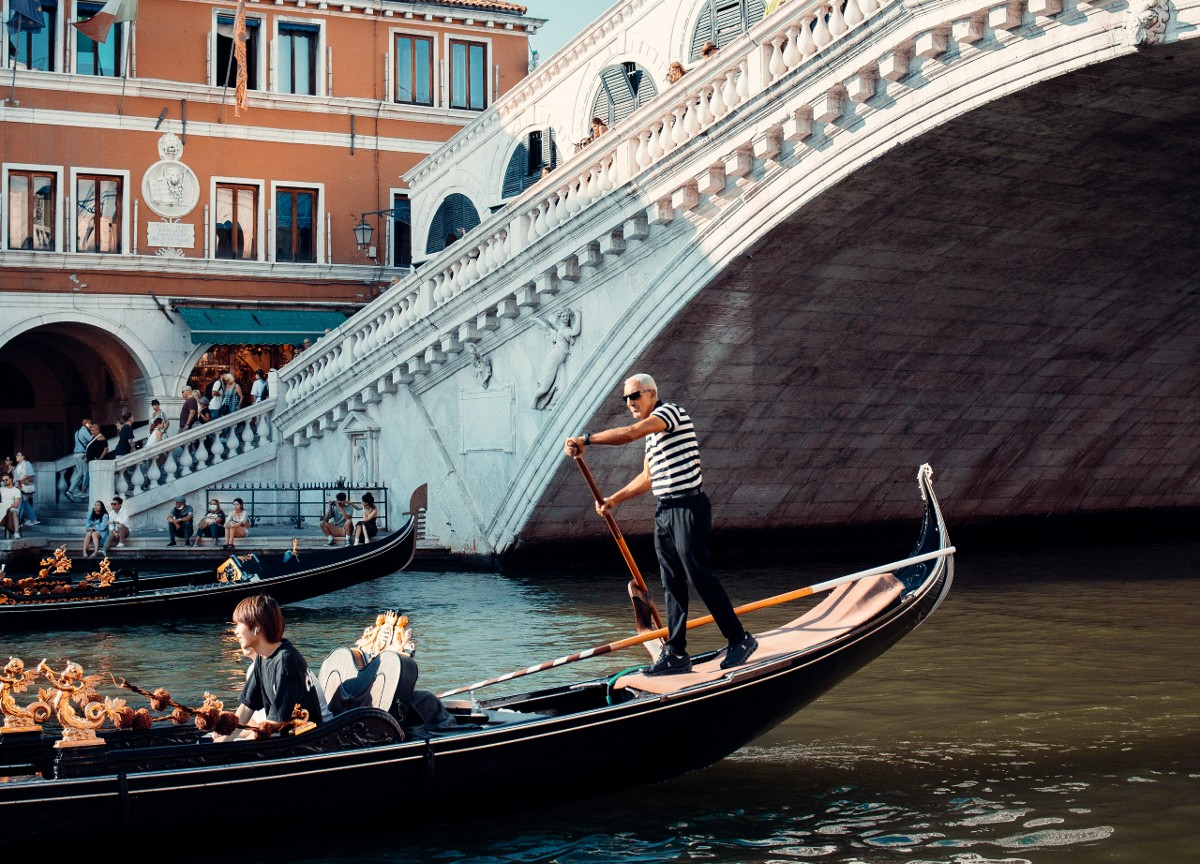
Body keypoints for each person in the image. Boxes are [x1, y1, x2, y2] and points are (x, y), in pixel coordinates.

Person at [563, 373, 758, 675]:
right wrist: (613, 499)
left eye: (635, 396)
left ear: (652, 394)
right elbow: (648, 477)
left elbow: (629, 433)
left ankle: (739, 639)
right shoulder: (653, 437)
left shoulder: (670, 413)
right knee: (671, 582)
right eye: (625, 398)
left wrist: (586, 439)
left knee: (699, 576)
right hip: (665, 510)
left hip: (688, 506)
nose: (629, 402)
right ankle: (676, 653)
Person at [214, 593, 331, 742]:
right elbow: (246, 707)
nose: (235, 631)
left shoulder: (286, 661)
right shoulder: (262, 658)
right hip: (283, 738)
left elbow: (277, 721)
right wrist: (225, 738)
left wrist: (234, 743)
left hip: (304, 741)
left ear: (256, 627)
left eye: (239, 624)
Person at [66, 417, 93, 500]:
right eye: (89, 423)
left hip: (76, 454)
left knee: (79, 473)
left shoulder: (77, 432)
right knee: (86, 473)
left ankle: (70, 491)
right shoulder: (84, 431)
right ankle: (83, 491)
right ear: (86, 424)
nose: (91, 425)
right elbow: (92, 440)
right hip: (82, 454)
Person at [13, 452, 38, 526]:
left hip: (23, 486)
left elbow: (31, 474)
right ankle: (33, 519)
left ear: (23, 457)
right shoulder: (18, 465)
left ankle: (17, 522)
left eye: (18, 455)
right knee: (25, 503)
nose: (16, 456)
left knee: (19, 504)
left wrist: (21, 479)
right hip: (18, 486)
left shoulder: (27, 463)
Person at [1, 473, 21, 539]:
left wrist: (7, 506)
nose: (4, 481)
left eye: (6, 480)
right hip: (2, 509)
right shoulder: (1, 489)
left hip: (12, 508)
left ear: (11, 480)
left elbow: (16, 504)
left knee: (14, 513)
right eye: (3, 480)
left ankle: (16, 533)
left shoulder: (16, 491)